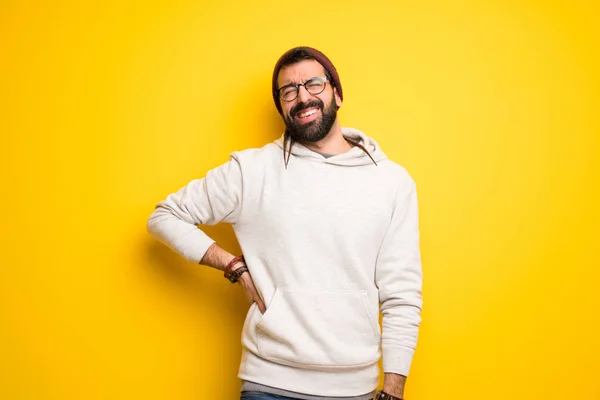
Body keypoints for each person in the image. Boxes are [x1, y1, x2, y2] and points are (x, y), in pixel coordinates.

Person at [147, 46, 423, 400]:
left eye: (314, 84)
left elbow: (402, 293)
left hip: (355, 388)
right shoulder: (253, 171)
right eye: (289, 91)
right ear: (281, 106)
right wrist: (232, 265)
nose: (303, 97)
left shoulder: (392, 181)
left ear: (337, 92)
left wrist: (394, 389)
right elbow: (165, 215)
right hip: (269, 385)